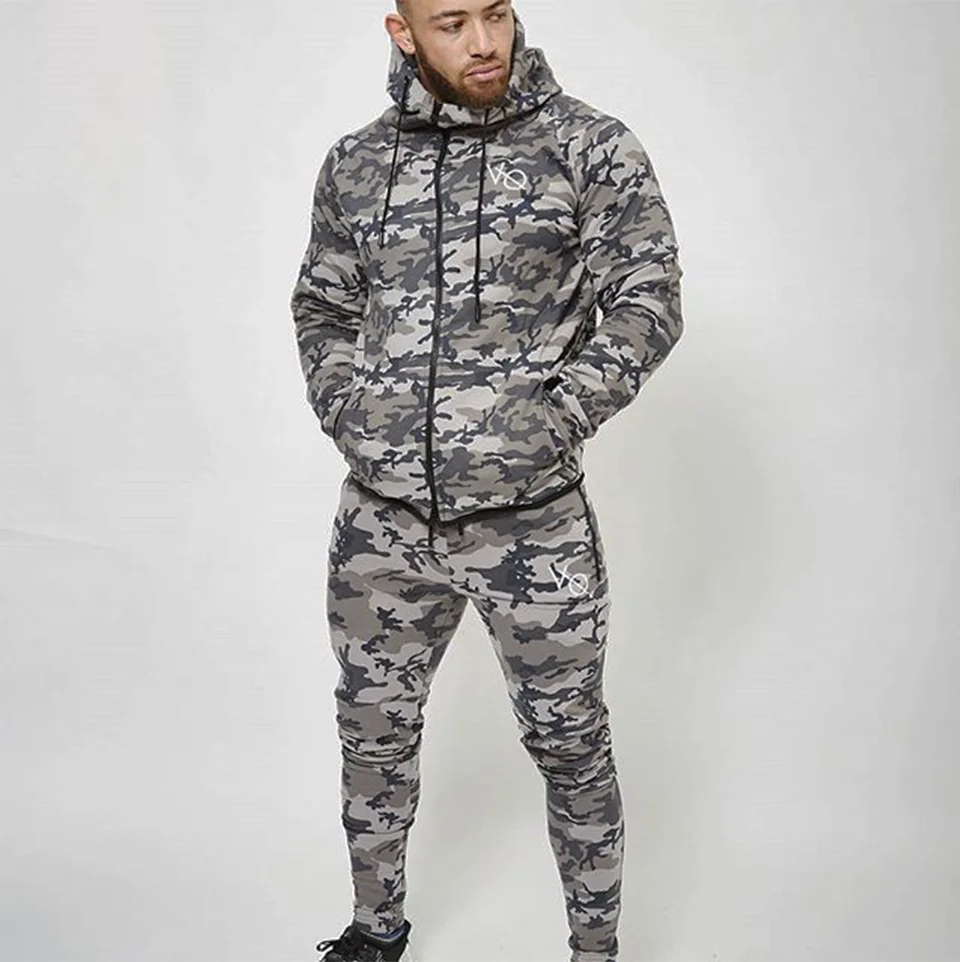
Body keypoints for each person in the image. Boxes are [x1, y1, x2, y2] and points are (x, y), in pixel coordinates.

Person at [290, 2, 684, 960]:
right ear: (403, 33)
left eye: (497, 13)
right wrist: (352, 416)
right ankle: (375, 931)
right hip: (382, 527)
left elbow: (649, 298)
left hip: (530, 527)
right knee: (372, 733)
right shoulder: (357, 163)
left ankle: (595, 952)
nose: (482, 42)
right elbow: (322, 308)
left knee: (570, 743)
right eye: (452, 21)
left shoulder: (587, 146)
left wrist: (555, 418)